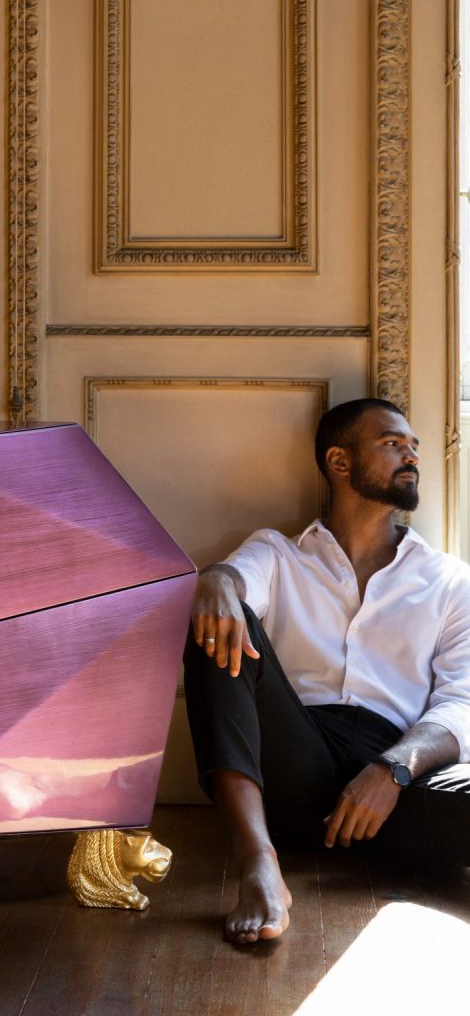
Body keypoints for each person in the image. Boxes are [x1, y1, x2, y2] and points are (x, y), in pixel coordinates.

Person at [184, 398, 470, 946]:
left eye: (414, 446)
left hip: (397, 781)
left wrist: (392, 771)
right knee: (220, 622)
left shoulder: (449, 580)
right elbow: (234, 586)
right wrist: (216, 579)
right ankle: (258, 861)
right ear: (340, 463)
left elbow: (460, 703)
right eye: (392, 443)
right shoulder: (279, 553)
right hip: (297, 766)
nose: (411, 455)